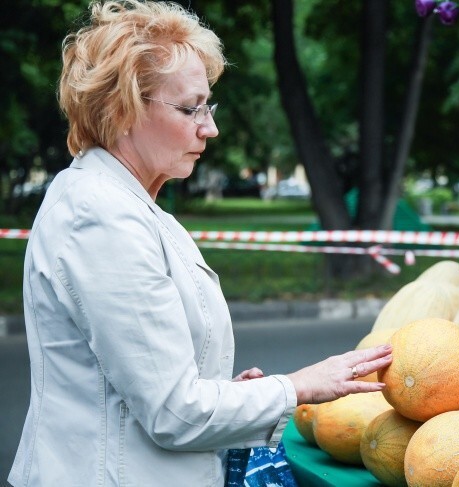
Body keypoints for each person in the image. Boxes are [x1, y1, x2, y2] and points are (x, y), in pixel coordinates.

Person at [7, 1, 393, 485]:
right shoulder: (101, 218)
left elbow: (140, 380)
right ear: (123, 109)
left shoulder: (128, 203)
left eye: (208, 106)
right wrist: (298, 387)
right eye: (191, 108)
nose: (209, 127)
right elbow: (174, 413)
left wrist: (229, 395)